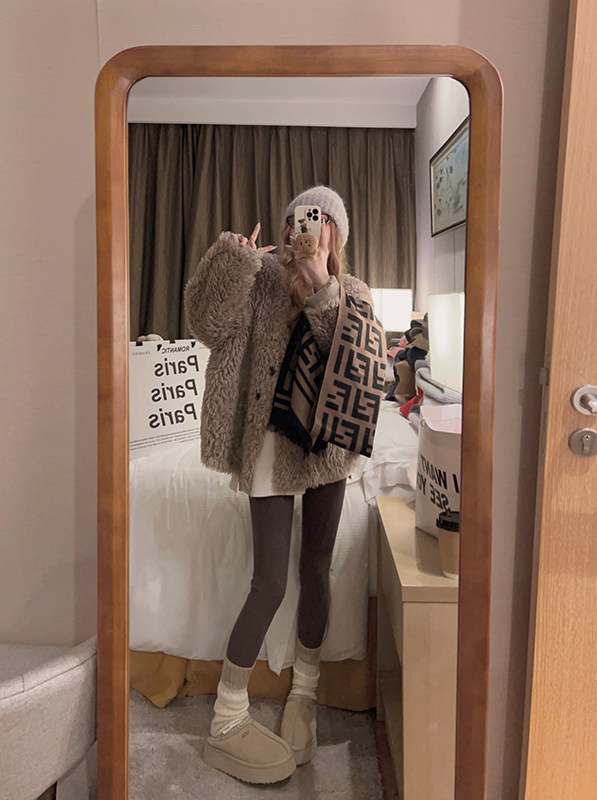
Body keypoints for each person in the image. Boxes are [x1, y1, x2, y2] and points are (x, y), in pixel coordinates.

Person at [183, 185, 384, 784]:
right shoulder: (262, 279)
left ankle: (305, 693)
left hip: (327, 450)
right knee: (269, 582)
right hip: (270, 441)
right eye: (297, 218)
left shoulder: (352, 291)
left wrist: (322, 286)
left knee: (316, 567)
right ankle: (227, 716)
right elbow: (205, 325)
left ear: (335, 233)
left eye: (318, 220)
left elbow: (356, 365)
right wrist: (235, 260)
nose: (305, 227)